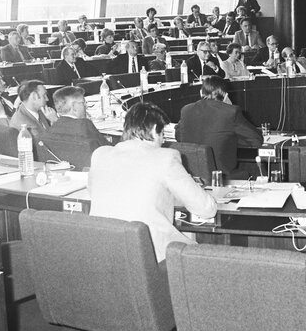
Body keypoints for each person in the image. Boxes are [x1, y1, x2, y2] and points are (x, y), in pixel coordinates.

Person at [89, 102, 217, 262]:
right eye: (162, 133)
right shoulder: (166, 158)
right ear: (154, 129)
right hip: (151, 258)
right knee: (207, 258)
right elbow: (206, 209)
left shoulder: (100, 155)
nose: (163, 141)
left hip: (103, 256)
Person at [176, 75, 263, 177]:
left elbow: (179, 136)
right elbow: (257, 140)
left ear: (200, 92)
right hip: (222, 176)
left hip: (192, 177)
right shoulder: (231, 111)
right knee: (257, 168)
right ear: (226, 95)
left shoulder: (186, 110)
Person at [45, 86, 109, 147]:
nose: (86, 106)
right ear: (74, 106)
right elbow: (107, 147)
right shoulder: (84, 124)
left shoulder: (51, 128)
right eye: (83, 103)